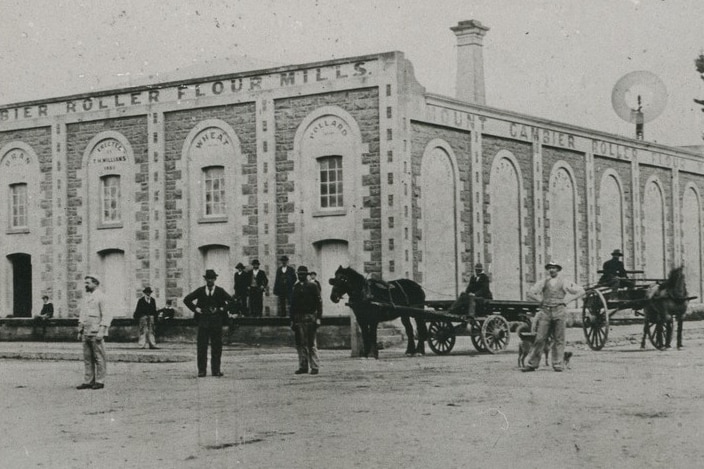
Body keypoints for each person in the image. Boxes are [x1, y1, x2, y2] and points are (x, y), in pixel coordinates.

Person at [522, 261, 585, 372]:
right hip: (545, 312)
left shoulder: (565, 282)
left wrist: (568, 300)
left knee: (559, 338)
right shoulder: (543, 282)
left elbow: (581, 291)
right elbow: (530, 293)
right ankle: (532, 364)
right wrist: (540, 301)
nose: (552, 270)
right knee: (540, 338)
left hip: (559, 311)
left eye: (554, 268)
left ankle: (557, 364)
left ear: (558, 270)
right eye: (550, 268)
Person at [183, 269, 232, 377]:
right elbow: (187, 299)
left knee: (216, 347)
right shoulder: (200, 291)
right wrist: (196, 309)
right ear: (205, 279)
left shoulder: (220, 291)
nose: (210, 280)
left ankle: (216, 370)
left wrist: (221, 309)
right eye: (208, 278)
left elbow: (231, 301)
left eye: (212, 278)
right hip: (203, 323)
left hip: (216, 323)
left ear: (215, 279)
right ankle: (202, 371)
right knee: (201, 347)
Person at [76, 274, 113, 390]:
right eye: (85, 283)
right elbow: (82, 315)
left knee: (99, 357)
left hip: (96, 332)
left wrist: (102, 331)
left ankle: (100, 381)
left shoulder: (102, 297)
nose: (86, 285)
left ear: (96, 283)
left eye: (88, 283)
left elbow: (107, 315)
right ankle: (88, 380)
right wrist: (80, 329)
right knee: (87, 358)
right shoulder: (87, 298)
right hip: (86, 332)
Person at [290, 265, 322, 375]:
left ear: (307, 275)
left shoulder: (313, 286)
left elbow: (319, 303)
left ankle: (315, 366)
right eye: (299, 274)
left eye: (303, 274)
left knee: (311, 343)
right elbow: (292, 305)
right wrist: (292, 320)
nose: (301, 276)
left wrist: (318, 318)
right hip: (298, 318)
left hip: (310, 317)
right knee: (300, 343)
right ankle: (303, 366)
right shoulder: (296, 287)